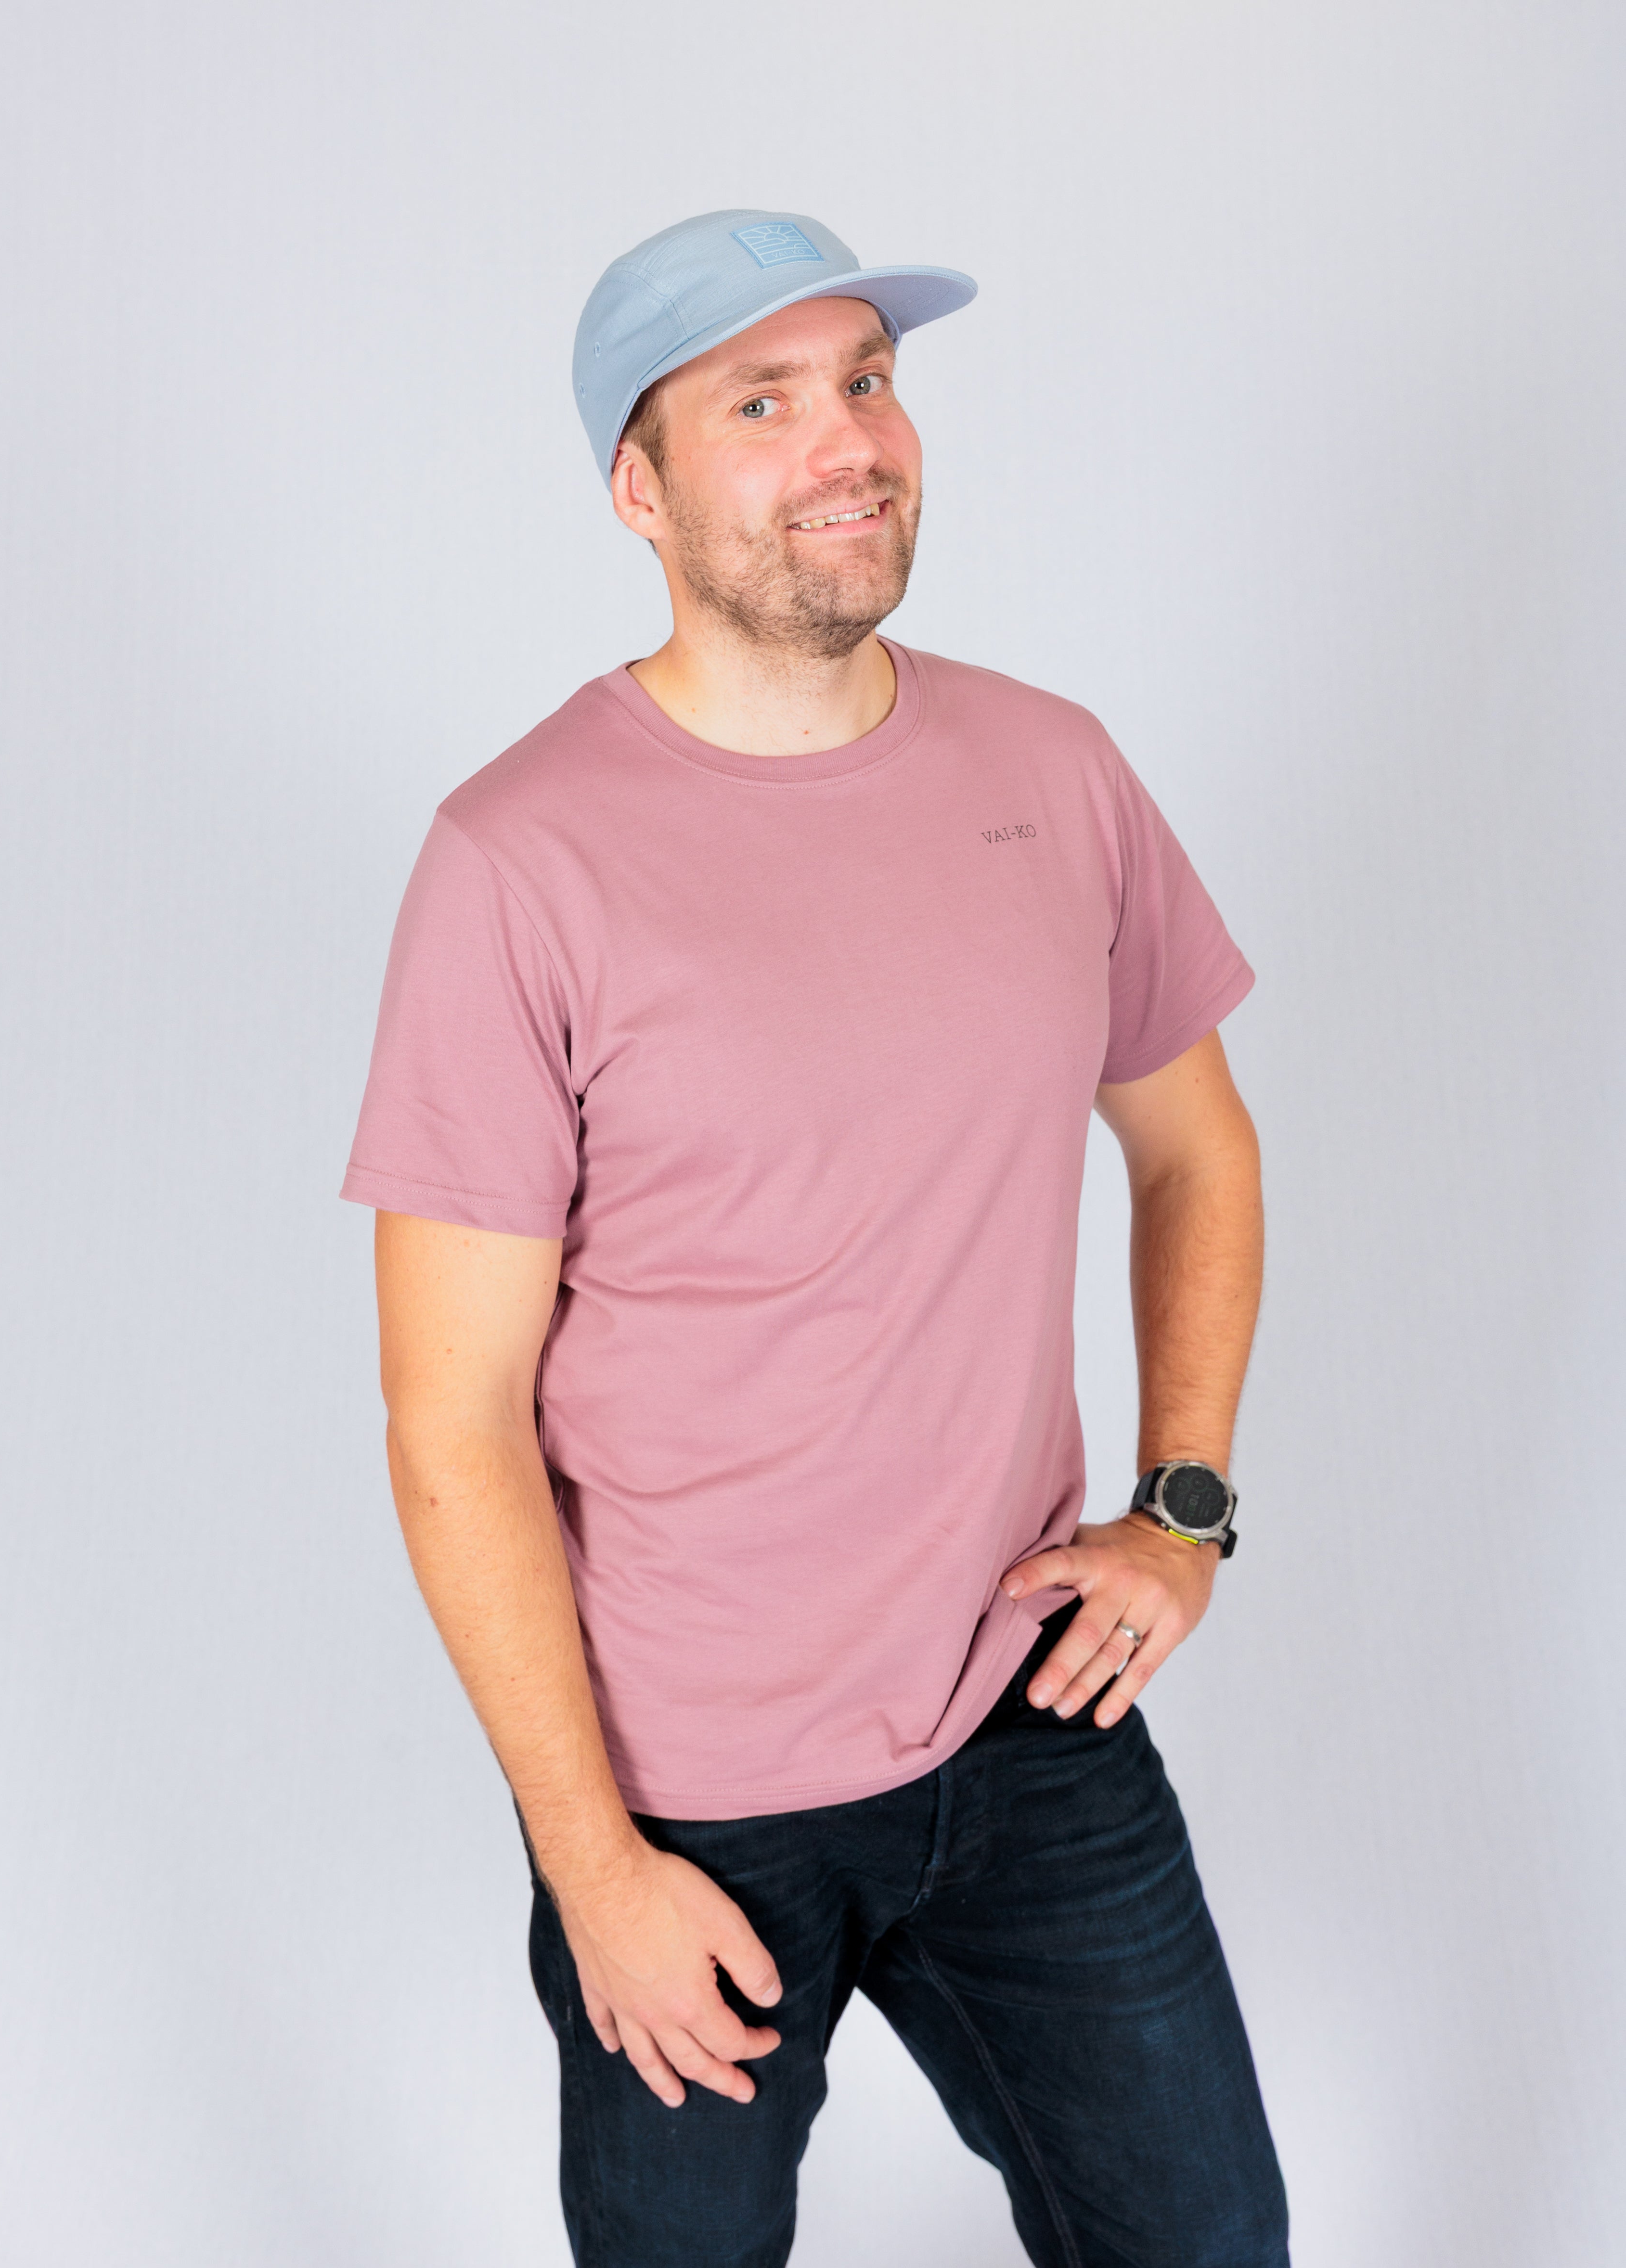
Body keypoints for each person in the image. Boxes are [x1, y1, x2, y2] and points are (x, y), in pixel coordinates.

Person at [340, 207, 1289, 2268]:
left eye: (863, 379)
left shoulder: (1051, 770)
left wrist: (1182, 1509)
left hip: (1029, 1727)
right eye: (757, 404)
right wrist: (592, 1866)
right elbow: (451, 1423)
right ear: (637, 486)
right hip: (689, 1801)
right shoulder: (517, 864)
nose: (844, 441)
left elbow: (1195, 1151)